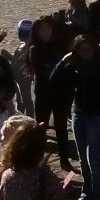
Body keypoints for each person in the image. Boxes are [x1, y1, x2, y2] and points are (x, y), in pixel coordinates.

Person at [50, 35, 100, 200]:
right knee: (82, 157)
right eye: (80, 50)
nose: (85, 53)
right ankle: (86, 194)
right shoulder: (73, 66)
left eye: (88, 49)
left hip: (98, 115)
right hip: (79, 114)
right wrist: (63, 61)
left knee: (94, 157)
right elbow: (53, 80)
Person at [27, 16, 72, 171]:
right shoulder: (34, 49)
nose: (45, 32)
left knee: (61, 127)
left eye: (48, 28)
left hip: (60, 93)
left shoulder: (60, 44)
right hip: (43, 94)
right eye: (42, 29)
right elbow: (44, 70)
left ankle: (64, 158)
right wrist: (59, 66)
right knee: (41, 127)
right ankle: (38, 159)